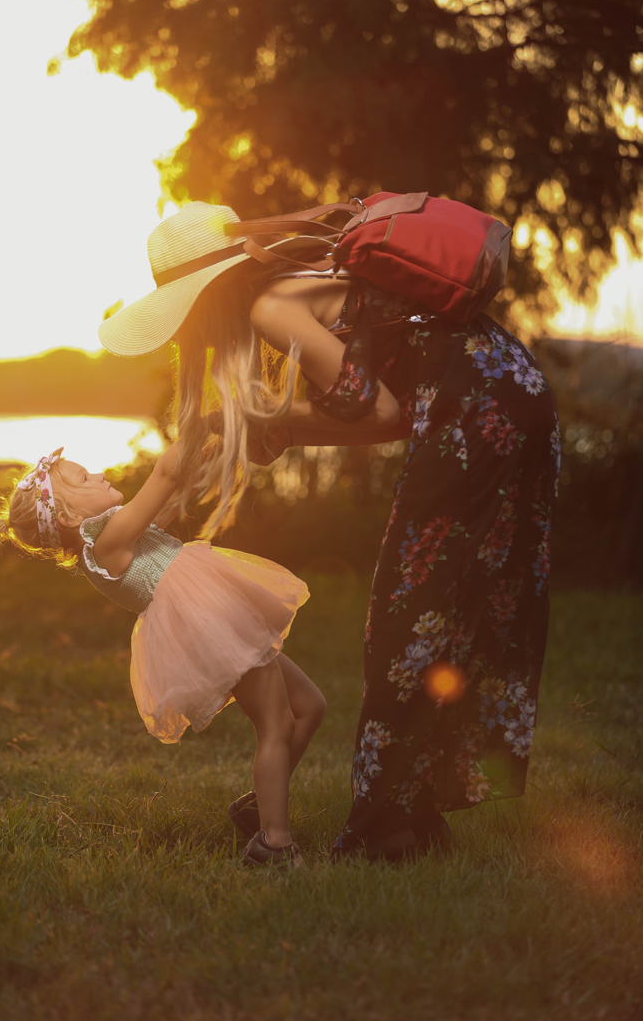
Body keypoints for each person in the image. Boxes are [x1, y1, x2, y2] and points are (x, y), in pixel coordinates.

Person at [97, 200, 560, 862]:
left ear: (207, 297)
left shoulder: (271, 306)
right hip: (513, 393)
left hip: (476, 414)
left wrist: (254, 418)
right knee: (455, 610)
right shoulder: (310, 279)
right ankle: (413, 814)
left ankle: (381, 832)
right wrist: (279, 427)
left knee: (407, 619)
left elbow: (381, 414)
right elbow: (387, 412)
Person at [0, 443, 326, 868]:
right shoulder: (107, 544)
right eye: (84, 478)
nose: (99, 474)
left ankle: (263, 805)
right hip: (213, 626)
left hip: (219, 617)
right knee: (276, 724)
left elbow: (173, 491)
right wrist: (204, 424)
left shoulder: (115, 531)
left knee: (310, 706)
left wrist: (216, 450)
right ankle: (274, 844)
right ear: (69, 517)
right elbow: (166, 474)